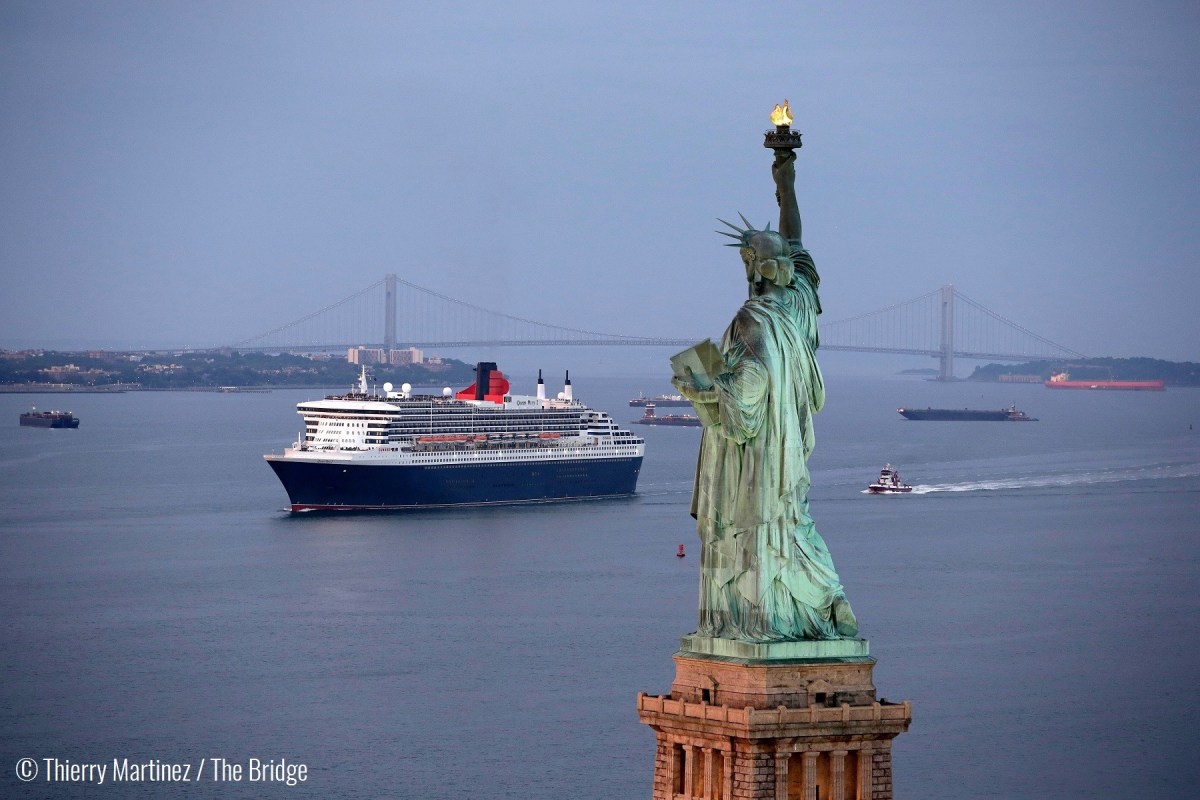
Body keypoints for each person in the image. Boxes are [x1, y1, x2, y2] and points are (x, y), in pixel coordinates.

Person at [672, 150, 856, 642]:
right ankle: (808, 604)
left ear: (753, 266)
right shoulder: (797, 309)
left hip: (755, 461)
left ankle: (754, 618)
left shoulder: (753, 318)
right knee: (789, 527)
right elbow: (795, 243)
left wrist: (703, 387)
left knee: (748, 531)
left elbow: (746, 402)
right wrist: (786, 180)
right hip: (786, 454)